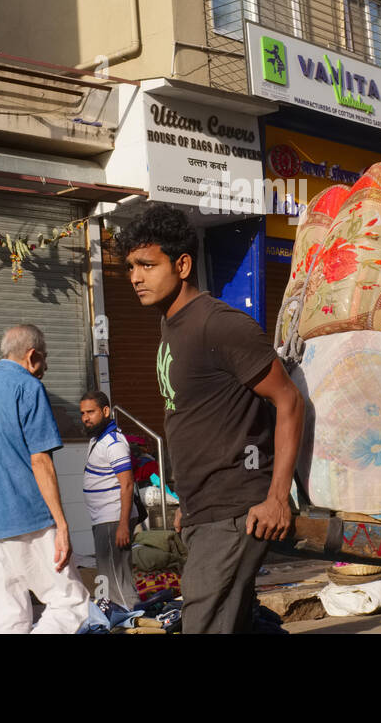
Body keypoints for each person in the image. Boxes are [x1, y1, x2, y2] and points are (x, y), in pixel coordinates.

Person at [120, 204, 305, 634]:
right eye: (132, 266)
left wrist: (278, 496)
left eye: (147, 264)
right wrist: (188, 502)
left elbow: (289, 402)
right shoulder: (170, 326)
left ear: (182, 264)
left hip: (237, 507)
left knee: (200, 623)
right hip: (205, 510)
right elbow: (198, 420)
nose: (135, 277)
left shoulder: (219, 325)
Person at [0, 324, 91, 633]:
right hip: (27, 518)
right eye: (45, 358)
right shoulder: (28, 387)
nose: (46, 367)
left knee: (6, 619)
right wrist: (62, 524)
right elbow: (40, 461)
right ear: (32, 355)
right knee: (71, 603)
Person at [79, 390, 139, 607]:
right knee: (108, 577)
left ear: (105, 411)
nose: (86, 417)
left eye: (91, 412)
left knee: (116, 580)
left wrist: (123, 525)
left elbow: (127, 484)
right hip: (103, 520)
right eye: (83, 413)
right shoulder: (98, 439)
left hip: (113, 520)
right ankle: (116, 618)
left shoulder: (114, 442)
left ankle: (133, 618)